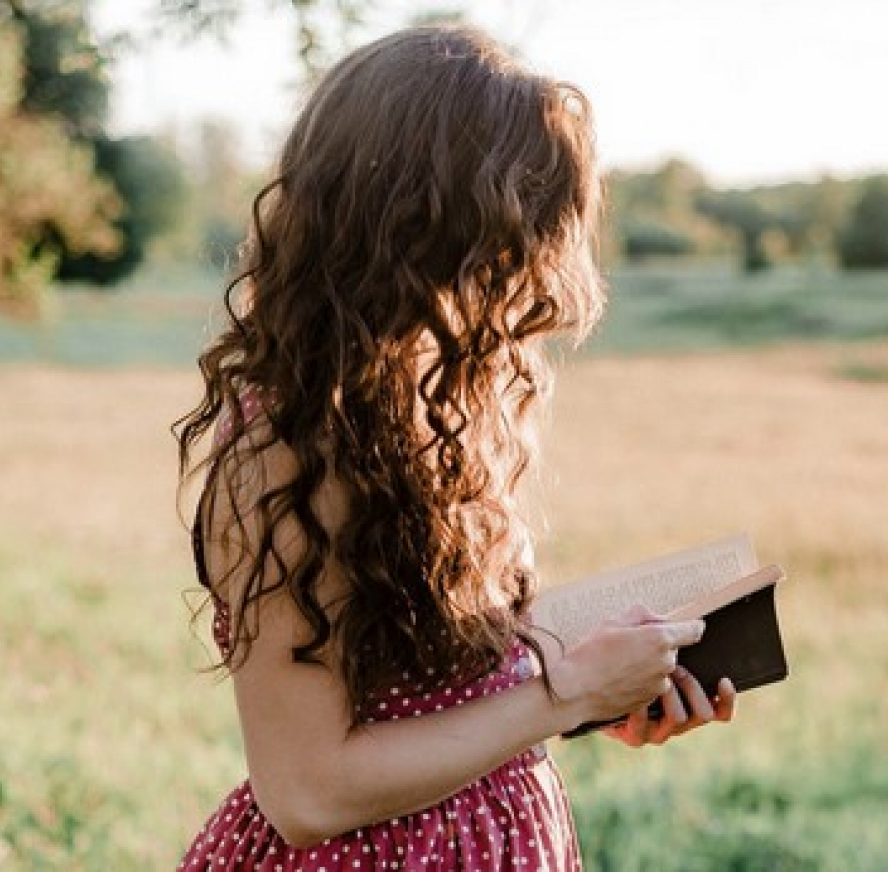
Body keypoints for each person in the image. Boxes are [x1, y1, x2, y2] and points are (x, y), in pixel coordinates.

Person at [175, 24, 735, 871]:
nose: (527, 268)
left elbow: (437, 681)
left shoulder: (438, 403)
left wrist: (606, 684)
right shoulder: (282, 451)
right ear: (420, 223)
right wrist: (565, 692)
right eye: (510, 229)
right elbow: (306, 791)